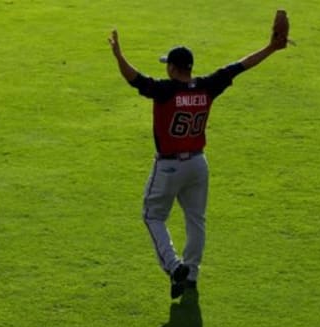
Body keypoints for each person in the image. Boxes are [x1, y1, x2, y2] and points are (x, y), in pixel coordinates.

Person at [108, 18, 289, 299]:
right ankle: (191, 274)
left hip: (168, 165)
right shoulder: (207, 86)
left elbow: (134, 78)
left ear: (172, 67)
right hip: (197, 164)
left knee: (152, 215)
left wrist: (119, 56)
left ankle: (174, 265)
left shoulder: (165, 90)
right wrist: (270, 48)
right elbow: (241, 65)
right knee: (196, 220)